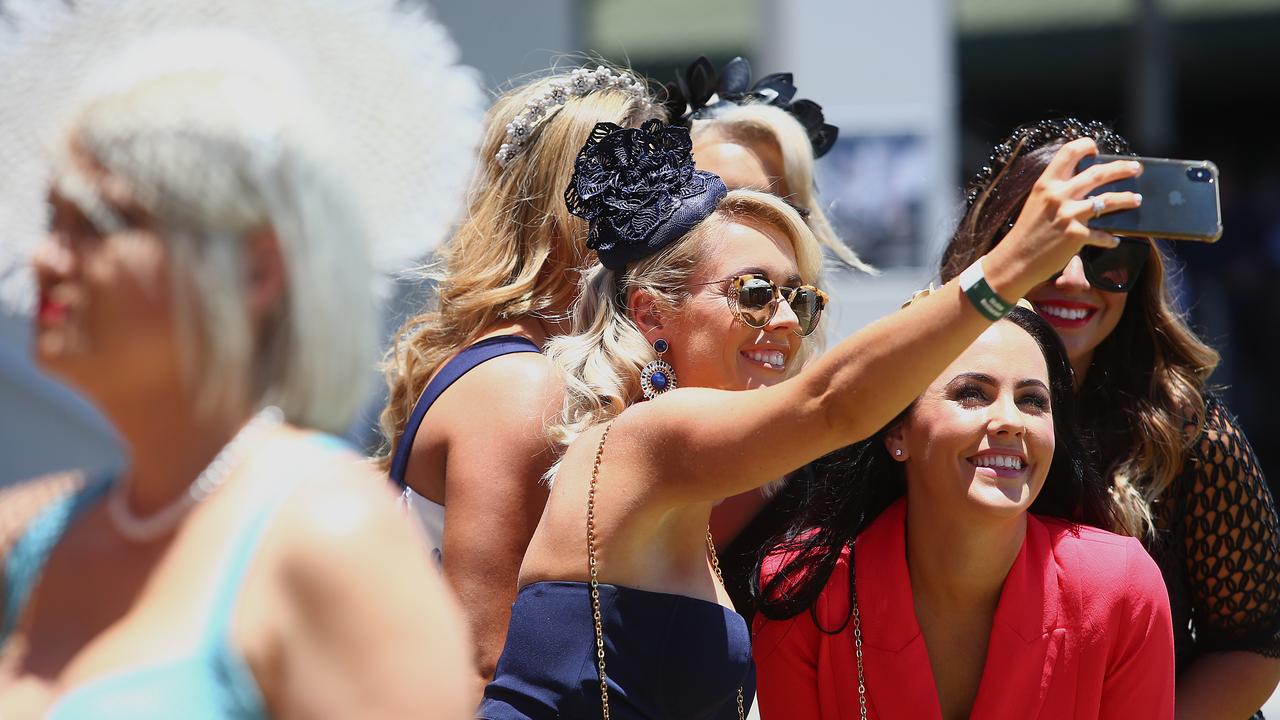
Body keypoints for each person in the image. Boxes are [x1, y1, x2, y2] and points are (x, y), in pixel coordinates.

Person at [478, 116, 1143, 719]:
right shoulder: (648, 439)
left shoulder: (686, 481)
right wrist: (1008, 269)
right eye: (756, 294)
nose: (789, 321)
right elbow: (833, 405)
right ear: (654, 312)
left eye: (801, 298)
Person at [0, 9, 477, 718]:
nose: (44, 257)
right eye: (52, 221)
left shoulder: (332, 533)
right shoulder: (38, 534)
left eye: (101, 222)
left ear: (256, 270)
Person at [940, 118, 1280, 719]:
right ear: (990, 251)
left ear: (1140, 268)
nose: (1074, 278)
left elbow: (1257, 645)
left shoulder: (1184, 433)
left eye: (1106, 253)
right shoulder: (911, 406)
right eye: (1046, 248)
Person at [377, 63, 662, 688]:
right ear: (581, 210)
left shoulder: (532, 361)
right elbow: (485, 661)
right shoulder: (519, 385)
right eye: (649, 188)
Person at [752, 305, 1174, 719]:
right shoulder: (802, 590)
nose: (1011, 420)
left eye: (1032, 401)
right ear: (897, 430)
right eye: (972, 393)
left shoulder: (1122, 589)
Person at [664, 54, 875, 621]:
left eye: (785, 206)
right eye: (722, 201)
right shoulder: (575, 413)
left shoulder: (832, 452)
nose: (760, 226)